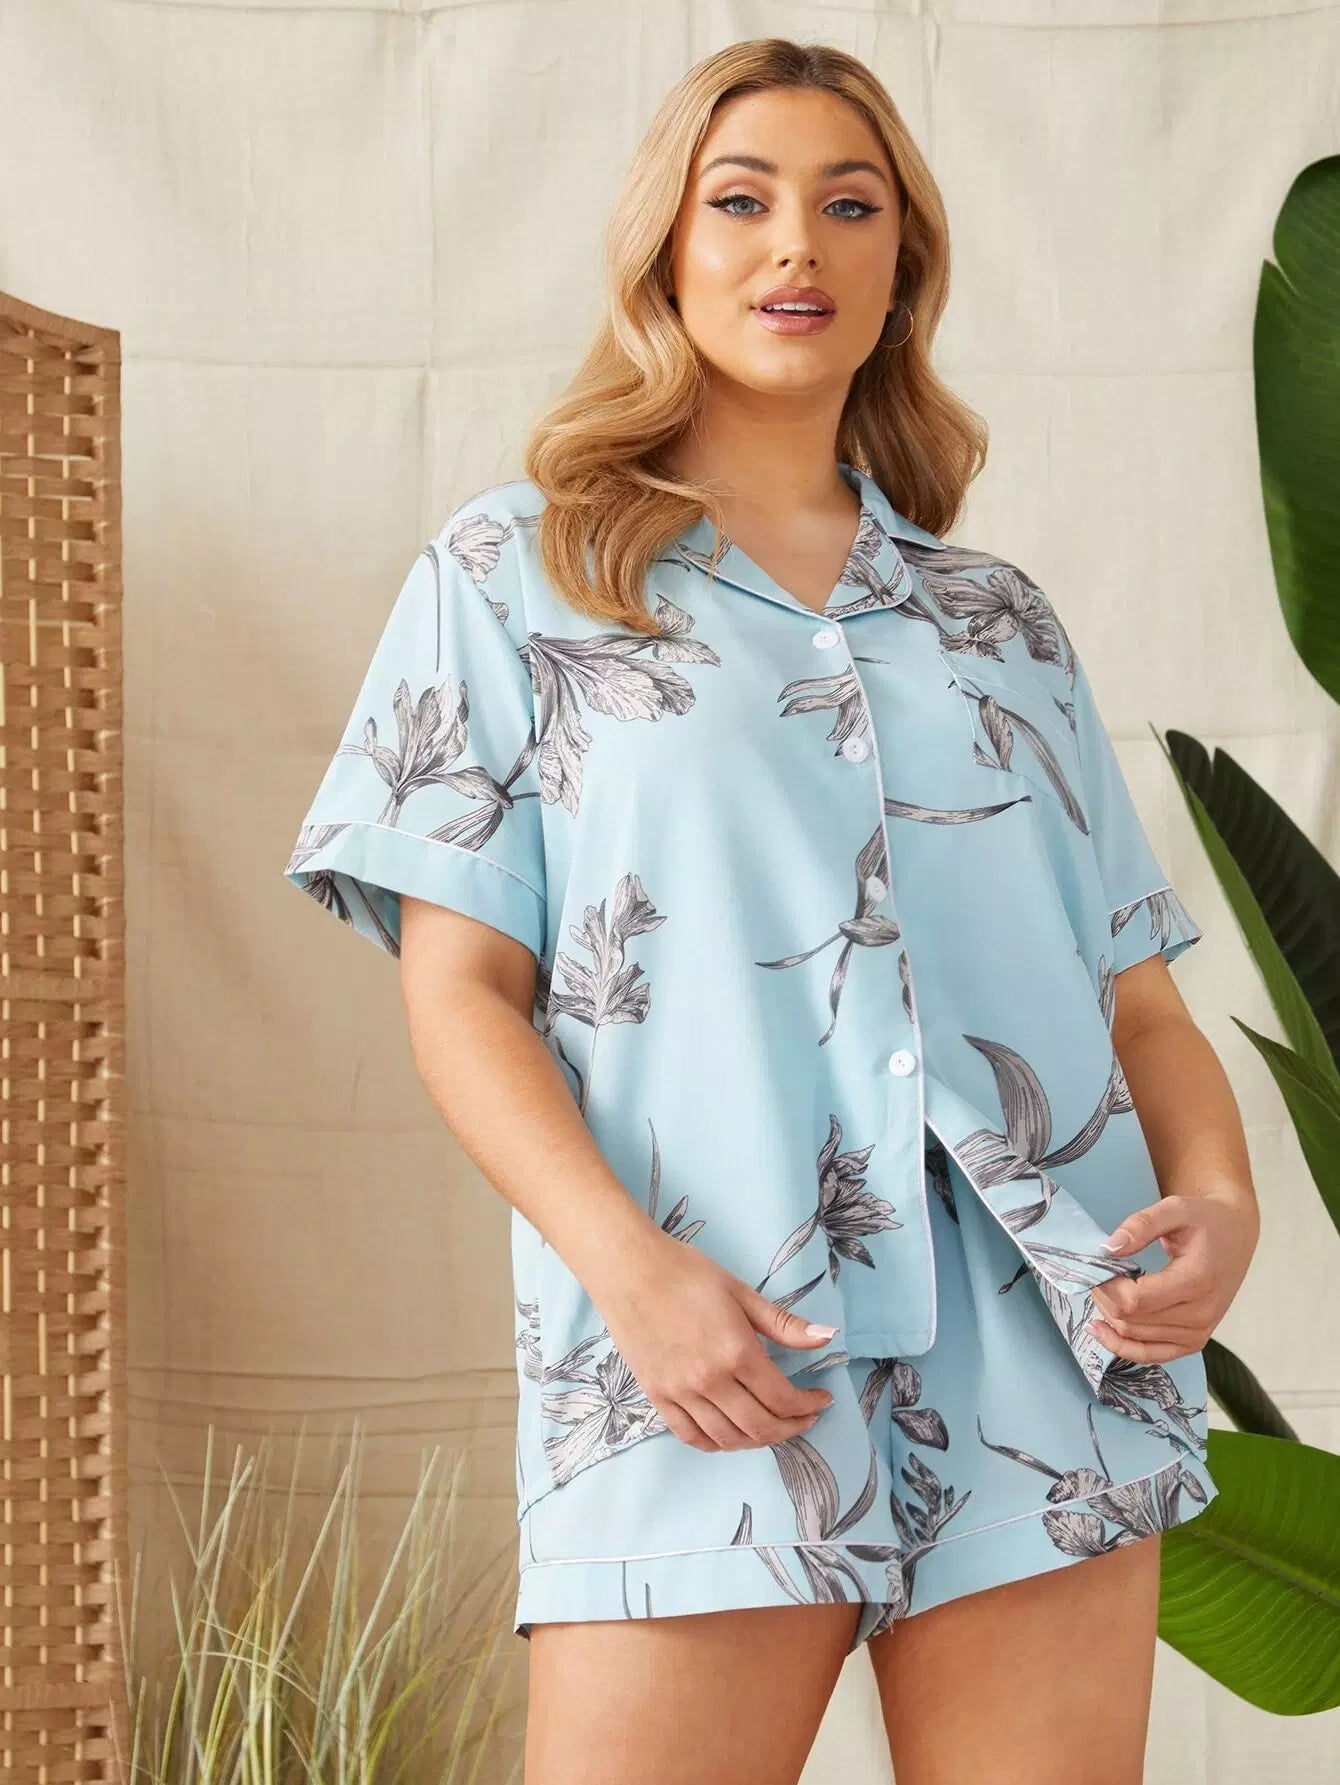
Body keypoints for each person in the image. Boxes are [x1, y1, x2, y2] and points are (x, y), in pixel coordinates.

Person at [282, 37, 1261, 1785]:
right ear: (668, 249)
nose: (795, 242)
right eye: (740, 201)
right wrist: (630, 1273)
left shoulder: (998, 623)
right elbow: (461, 992)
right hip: (705, 1338)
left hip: (1049, 1340)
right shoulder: (518, 574)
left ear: (901, 270)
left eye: (849, 205)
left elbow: (1139, 1001)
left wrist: (1225, 1201)